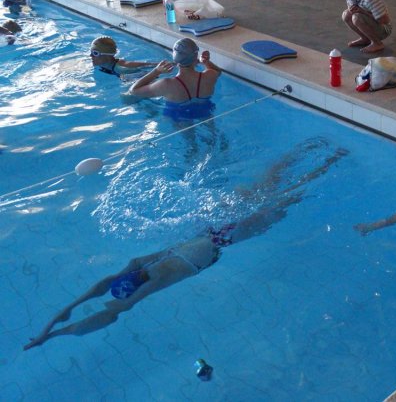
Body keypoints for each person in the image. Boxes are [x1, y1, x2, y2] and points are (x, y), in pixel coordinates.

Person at [23, 137, 349, 350]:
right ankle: (306, 150)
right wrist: (54, 323)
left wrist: (52, 335)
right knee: (269, 183)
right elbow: (97, 289)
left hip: (227, 237)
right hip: (213, 223)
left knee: (287, 197)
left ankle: (331, 160)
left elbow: (105, 315)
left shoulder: (153, 281)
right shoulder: (140, 263)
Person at [129, 38, 222, 118]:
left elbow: (134, 91)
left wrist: (156, 71)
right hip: (204, 110)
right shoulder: (210, 75)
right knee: (211, 130)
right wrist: (206, 62)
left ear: (175, 58)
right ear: (196, 56)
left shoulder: (166, 84)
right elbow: (218, 71)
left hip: (179, 115)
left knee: (187, 133)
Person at [89, 36, 157, 78]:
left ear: (108, 56)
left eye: (95, 53)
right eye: (91, 52)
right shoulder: (102, 63)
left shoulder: (122, 68)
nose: (91, 55)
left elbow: (150, 67)